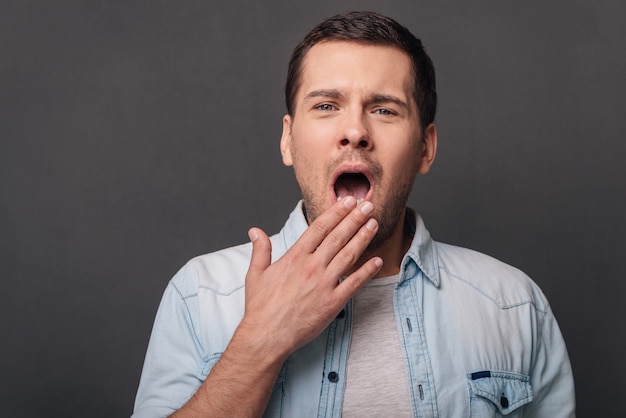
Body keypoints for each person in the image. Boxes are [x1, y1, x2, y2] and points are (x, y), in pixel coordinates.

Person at [132, 11, 575, 417]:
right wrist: (260, 341)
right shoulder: (199, 296)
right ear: (288, 141)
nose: (355, 132)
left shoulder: (515, 306)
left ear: (426, 147)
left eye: (384, 109)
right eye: (326, 106)